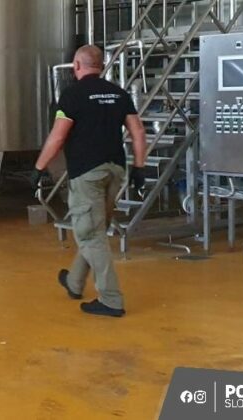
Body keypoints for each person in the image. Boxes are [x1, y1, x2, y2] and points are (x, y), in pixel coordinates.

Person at [32, 45, 147, 318]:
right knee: (96, 228)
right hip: (115, 170)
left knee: (90, 234)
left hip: (87, 173)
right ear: (102, 66)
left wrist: (39, 167)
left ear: (76, 65)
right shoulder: (118, 93)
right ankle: (74, 282)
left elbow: (58, 137)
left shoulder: (72, 95)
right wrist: (139, 167)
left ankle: (111, 300)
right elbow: (138, 131)